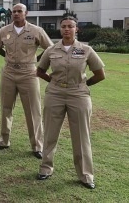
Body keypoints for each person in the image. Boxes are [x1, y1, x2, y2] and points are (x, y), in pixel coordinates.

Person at [36, 16, 105, 190]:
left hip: (79, 95)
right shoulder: (51, 50)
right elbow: (40, 71)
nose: (67, 29)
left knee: (82, 135)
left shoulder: (86, 50)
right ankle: (46, 167)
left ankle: (86, 175)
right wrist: (51, 81)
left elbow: (100, 74)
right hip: (55, 94)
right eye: (64, 26)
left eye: (70, 26)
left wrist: (83, 85)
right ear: (60, 29)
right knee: (50, 132)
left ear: (76, 29)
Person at [0, 3, 54, 159]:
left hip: (28, 73)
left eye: (20, 11)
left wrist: (37, 60)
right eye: (14, 11)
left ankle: (37, 145)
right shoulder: (4, 30)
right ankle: (3, 140)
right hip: (9, 72)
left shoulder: (36, 31)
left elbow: (50, 48)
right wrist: (7, 57)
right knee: (6, 108)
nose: (16, 14)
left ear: (26, 13)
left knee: (33, 110)